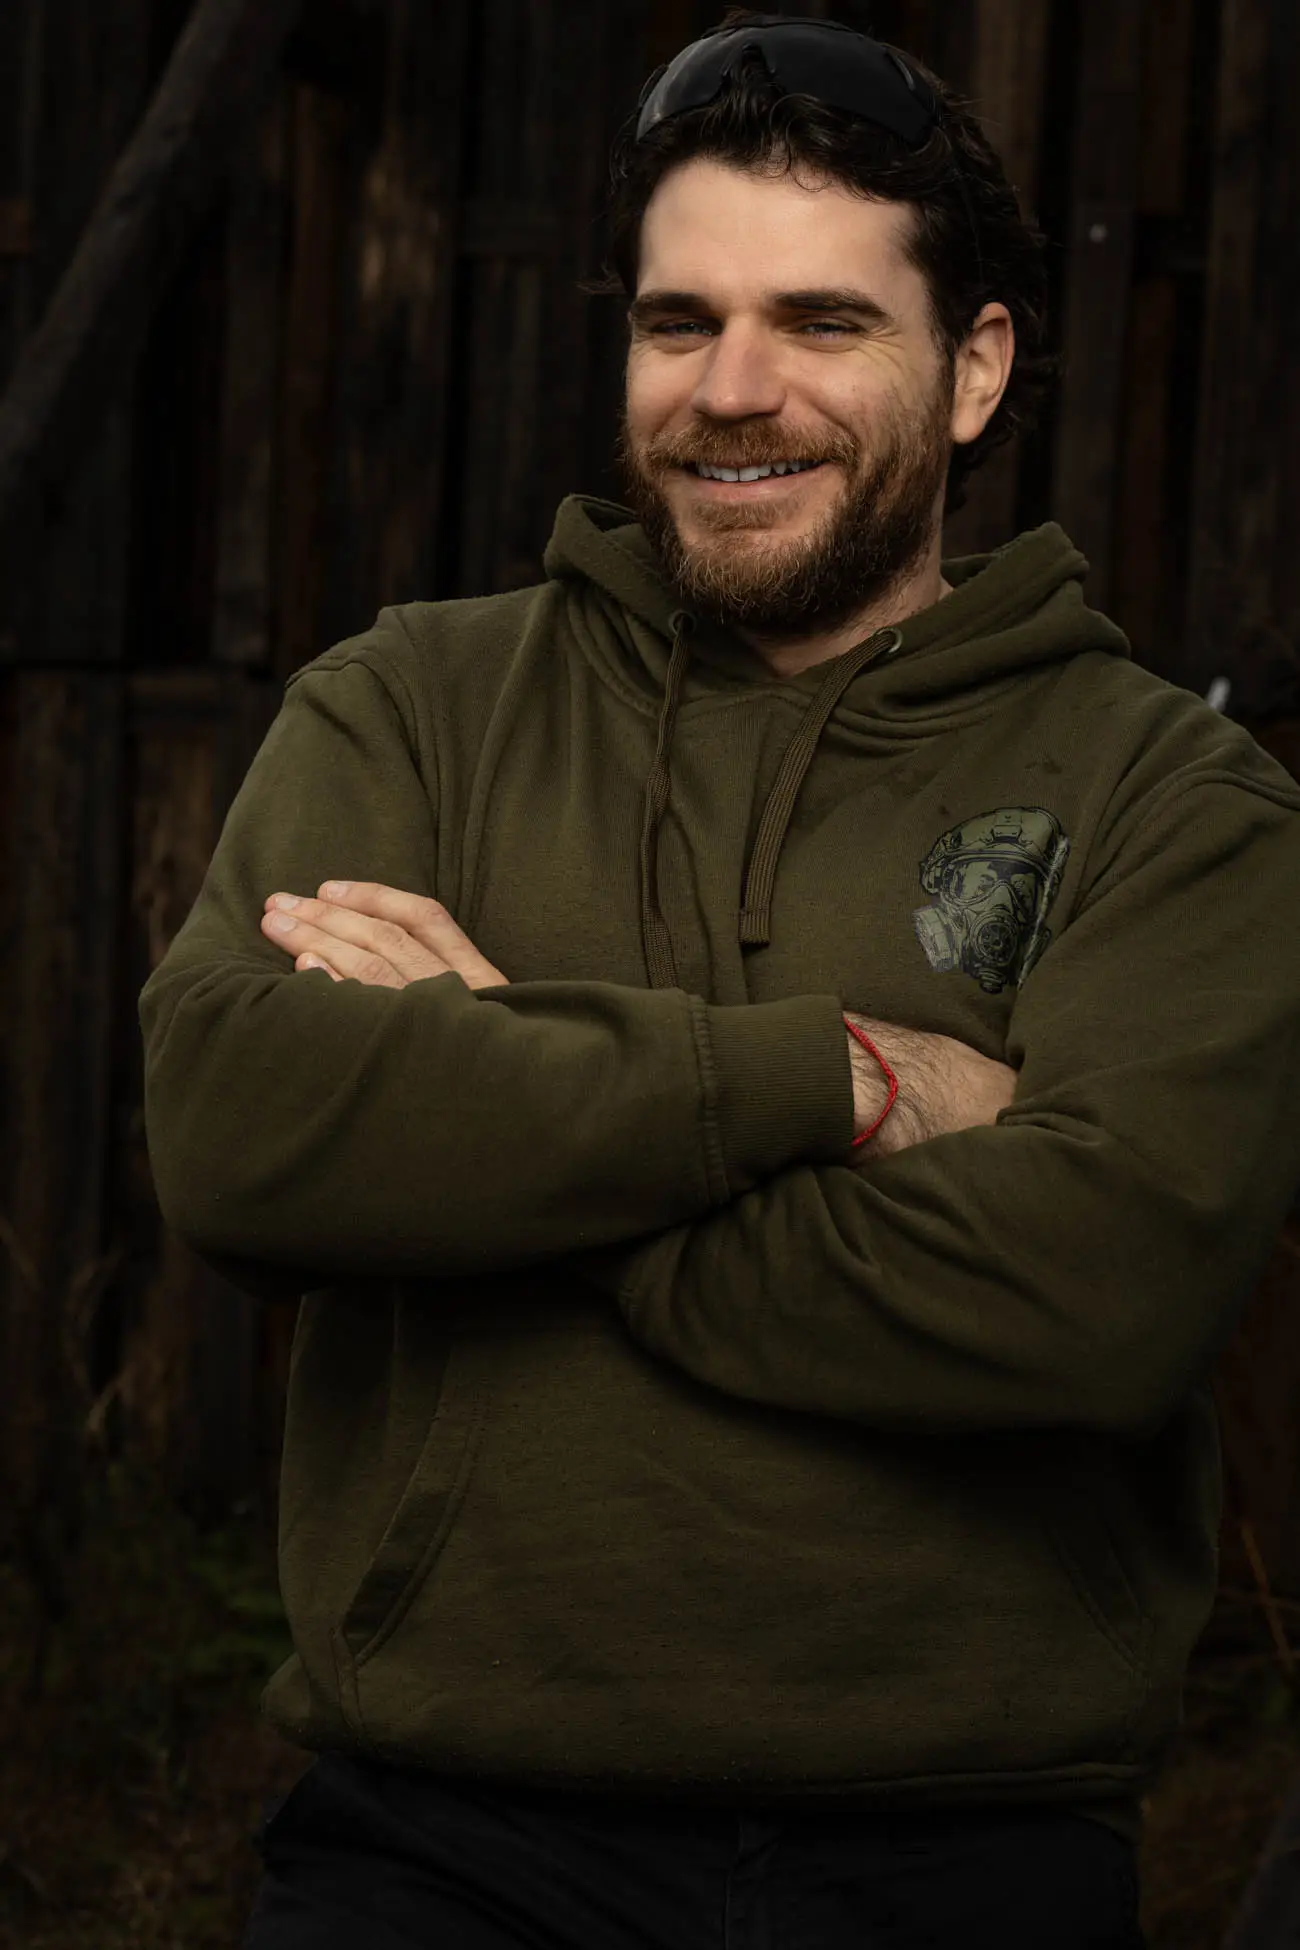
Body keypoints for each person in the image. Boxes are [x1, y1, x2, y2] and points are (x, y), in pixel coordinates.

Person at [139, 14, 1300, 1948]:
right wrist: (822, 1080)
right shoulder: (415, 706)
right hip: (442, 1843)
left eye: (822, 323)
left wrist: (498, 1113)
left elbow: (1102, 1294)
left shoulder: (1170, 795)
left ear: (975, 368)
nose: (733, 391)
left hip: (963, 1853)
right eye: (681, 322)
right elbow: (239, 1129)